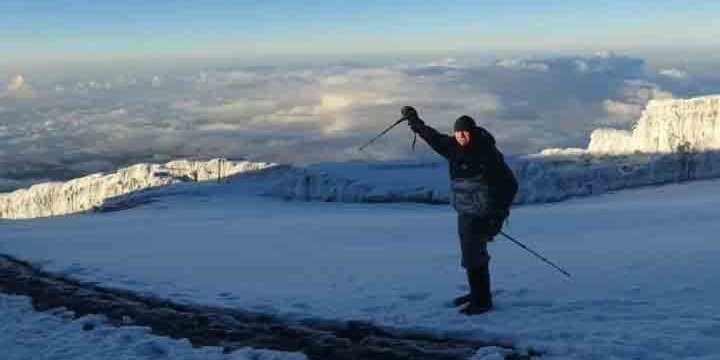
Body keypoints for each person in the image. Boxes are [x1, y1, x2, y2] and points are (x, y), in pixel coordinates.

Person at [402, 106, 518, 315]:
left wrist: (498, 215)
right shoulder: (452, 147)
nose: (462, 136)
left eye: (466, 132)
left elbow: (509, 185)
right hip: (465, 211)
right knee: (470, 253)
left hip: (484, 213)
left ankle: (482, 301)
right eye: (458, 132)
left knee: (475, 254)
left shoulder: (487, 153)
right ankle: (477, 293)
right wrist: (414, 121)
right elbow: (432, 137)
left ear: (473, 131)